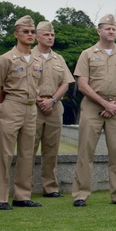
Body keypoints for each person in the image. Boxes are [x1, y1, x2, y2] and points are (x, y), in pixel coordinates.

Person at [72, 14, 116, 207]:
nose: (111, 31)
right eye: (107, 28)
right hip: (93, 107)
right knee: (86, 151)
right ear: (99, 31)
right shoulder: (88, 54)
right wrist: (104, 103)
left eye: (114, 29)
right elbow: (82, 84)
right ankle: (81, 194)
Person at [0, 15, 42, 210]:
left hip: (31, 108)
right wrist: (2, 105)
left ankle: (22, 196)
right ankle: (0, 198)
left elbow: (38, 85)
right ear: (16, 34)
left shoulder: (37, 60)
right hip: (11, 105)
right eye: (25, 31)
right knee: (4, 154)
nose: (30, 34)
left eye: (32, 32)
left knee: (27, 153)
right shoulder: (6, 59)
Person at [32, 20, 75, 198]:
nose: (50, 38)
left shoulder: (59, 58)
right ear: (37, 36)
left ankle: (50, 187)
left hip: (55, 106)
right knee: (29, 148)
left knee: (51, 149)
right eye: (46, 35)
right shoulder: (28, 55)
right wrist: (39, 100)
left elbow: (66, 82)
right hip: (33, 106)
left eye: (52, 35)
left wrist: (53, 100)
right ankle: (25, 187)